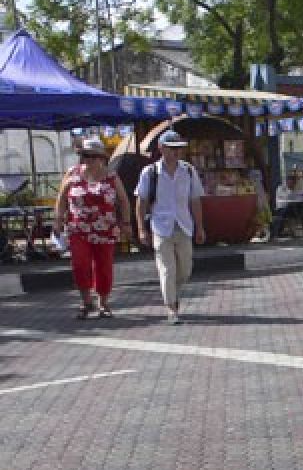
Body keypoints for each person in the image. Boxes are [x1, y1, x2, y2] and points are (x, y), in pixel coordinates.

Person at [53, 137, 133, 320]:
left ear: (101, 158)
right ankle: (86, 301)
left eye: (91, 156)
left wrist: (126, 223)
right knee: (80, 264)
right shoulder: (72, 173)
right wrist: (58, 220)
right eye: (84, 156)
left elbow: (123, 200)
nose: (87, 160)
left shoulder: (111, 176)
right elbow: (62, 198)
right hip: (78, 228)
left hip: (105, 229)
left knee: (103, 267)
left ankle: (103, 303)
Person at [135, 130, 206, 324]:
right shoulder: (150, 173)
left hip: (184, 225)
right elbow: (140, 202)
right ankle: (171, 308)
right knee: (167, 269)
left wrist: (199, 227)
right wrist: (142, 229)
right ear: (161, 148)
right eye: (172, 148)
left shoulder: (188, 171)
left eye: (179, 148)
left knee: (185, 270)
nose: (176, 152)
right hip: (161, 226)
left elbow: (195, 200)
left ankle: (172, 294)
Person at [273, 173, 303, 238]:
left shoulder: (296, 188)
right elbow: (287, 198)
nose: (293, 184)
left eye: (294, 182)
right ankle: (278, 233)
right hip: (282, 208)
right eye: (292, 182)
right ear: (287, 181)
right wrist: (292, 191)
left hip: (293, 209)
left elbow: (298, 198)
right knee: (293, 206)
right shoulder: (281, 188)